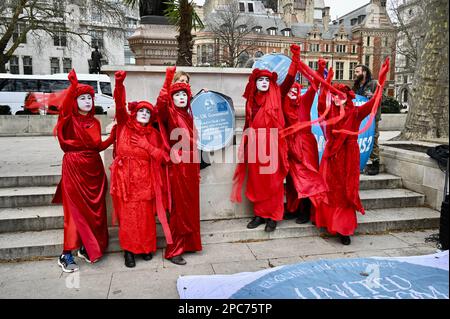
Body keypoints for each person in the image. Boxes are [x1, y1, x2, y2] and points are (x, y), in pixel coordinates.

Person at [316, 59, 390, 245]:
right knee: (332, 190)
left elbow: (374, 103)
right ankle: (330, 222)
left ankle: (344, 228)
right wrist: (323, 77)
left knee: (347, 191)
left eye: (340, 95)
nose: (336, 97)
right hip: (332, 156)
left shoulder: (355, 112)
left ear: (347, 97)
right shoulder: (328, 112)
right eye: (334, 95)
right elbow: (319, 105)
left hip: (349, 156)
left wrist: (381, 80)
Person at [230, 44, 300, 232]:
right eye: (260, 79)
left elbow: (291, 78)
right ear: (255, 82)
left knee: (274, 182)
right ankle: (260, 214)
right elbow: (248, 123)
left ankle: (273, 216)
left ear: (271, 83)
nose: (263, 82)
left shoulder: (279, 93)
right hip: (255, 145)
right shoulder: (251, 101)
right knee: (257, 181)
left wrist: (295, 57)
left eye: (266, 80)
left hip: (274, 144)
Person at [52, 69, 116, 272]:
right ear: (75, 100)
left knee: (93, 213)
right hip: (73, 168)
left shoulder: (95, 122)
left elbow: (96, 147)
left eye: (90, 97)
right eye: (83, 97)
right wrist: (73, 87)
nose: (88, 101)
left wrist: (112, 137)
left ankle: (85, 248)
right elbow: (62, 109)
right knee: (73, 213)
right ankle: (66, 254)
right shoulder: (68, 119)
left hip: (94, 169)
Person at [110, 71, 172, 268]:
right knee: (128, 218)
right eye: (140, 111)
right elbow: (119, 104)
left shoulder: (153, 134)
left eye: (147, 112)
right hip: (126, 181)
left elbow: (164, 157)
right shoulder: (123, 125)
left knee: (145, 217)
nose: (144, 114)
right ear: (134, 113)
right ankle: (129, 251)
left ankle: (146, 248)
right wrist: (119, 83)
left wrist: (147, 146)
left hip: (146, 180)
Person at [156, 66, 202, 266]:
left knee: (190, 207)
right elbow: (160, 104)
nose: (182, 96)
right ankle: (173, 249)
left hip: (190, 165)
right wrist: (168, 79)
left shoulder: (188, 114)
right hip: (178, 166)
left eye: (185, 93)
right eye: (178, 93)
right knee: (179, 209)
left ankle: (189, 243)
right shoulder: (170, 112)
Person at [282, 59, 328, 225]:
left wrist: (321, 68)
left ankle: (306, 209)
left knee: (308, 177)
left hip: (306, 145)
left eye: (296, 90)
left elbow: (315, 86)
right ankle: (293, 208)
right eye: (290, 90)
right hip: (290, 144)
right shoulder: (283, 104)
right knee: (292, 179)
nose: (293, 92)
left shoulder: (305, 101)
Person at [353, 64, 380, 175]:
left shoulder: (373, 84)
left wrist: (372, 95)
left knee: (373, 138)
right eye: (354, 72)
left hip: (372, 116)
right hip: (359, 117)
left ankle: (375, 163)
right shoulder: (356, 86)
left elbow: (379, 97)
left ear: (364, 72)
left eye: (357, 71)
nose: (355, 74)